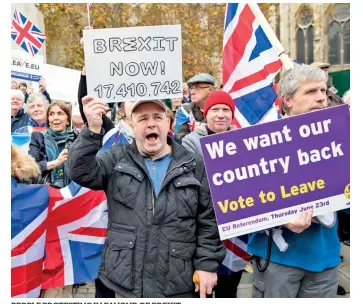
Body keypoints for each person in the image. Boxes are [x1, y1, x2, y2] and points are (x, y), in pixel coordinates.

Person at [66, 96, 226, 298]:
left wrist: (207, 265)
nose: (151, 123)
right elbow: (80, 171)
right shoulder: (117, 157)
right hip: (126, 282)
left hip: (178, 283)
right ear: (132, 125)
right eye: (142, 119)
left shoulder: (194, 164)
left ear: (169, 121)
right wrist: (92, 130)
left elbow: (209, 220)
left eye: (158, 117)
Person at [248, 64, 341, 298]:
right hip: (279, 260)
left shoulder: (340, 136)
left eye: (324, 91)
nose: (321, 98)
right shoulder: (258, 142)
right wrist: (279, 218)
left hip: (325, 259)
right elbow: (239, 204)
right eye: (311, 92)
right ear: (288, 99)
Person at [183, 91, 245, 298]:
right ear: (205, 113)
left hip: (235, 229)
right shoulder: (190, 142)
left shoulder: (245, 142)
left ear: (232, 114)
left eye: (226, 110)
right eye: (215, 110)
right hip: (203, 226)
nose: (220, 115)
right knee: (203, 288)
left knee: (229, 288)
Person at [28, 100, 75, 189]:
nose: (55, 118)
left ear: (68, 120)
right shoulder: (38, 138)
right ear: (48, 120)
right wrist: (56, 162)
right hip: (47, 191)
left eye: (60, 113)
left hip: (74, 192)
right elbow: (31, 167)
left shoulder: (77, 139)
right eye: (51, 114)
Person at [174, 73, 215, 142]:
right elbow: (179, 139)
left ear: (210, 90)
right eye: (192, 88)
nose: (192, 92)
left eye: (197, 87)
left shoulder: (220, 110)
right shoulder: (185, 110)